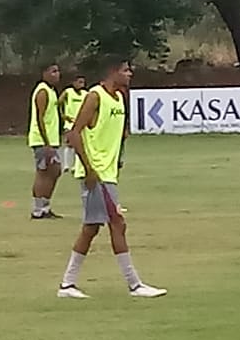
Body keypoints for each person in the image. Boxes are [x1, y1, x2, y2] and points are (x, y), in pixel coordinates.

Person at [57, 58, 166, 299]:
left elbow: (119, 135)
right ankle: (134, 284)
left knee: (91, 227)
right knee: (117, 223)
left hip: (108, 172)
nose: (130, 74)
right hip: (96, 173)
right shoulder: (95, 96)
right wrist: (88, 169)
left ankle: (67, 284)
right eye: (125, 70)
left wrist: (118, 158)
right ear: (111, 71)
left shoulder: (120, 98)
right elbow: (74, 134)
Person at [28, 63, 63, 219]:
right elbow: (40, 118)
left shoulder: (52, 91)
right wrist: (46, 142)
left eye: (58, 71)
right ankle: (37, 209)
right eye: (53, 71)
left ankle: (45, 206)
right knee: (43, 173)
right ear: (44, 73)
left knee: (54, 171)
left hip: (52, 139)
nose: (57, 74)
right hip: (42, 140)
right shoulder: (42, 91)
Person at [59, 74, 87, 173]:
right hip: (70, 122)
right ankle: (66, 165)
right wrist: (63, 115)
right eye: (79, 82)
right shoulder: (68, 92)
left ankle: (76, 166)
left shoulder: (85, 93)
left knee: (79, 145)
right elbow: (58, 103)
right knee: (69, 144)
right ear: (74, 83)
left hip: (81, 122)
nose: (82, 85)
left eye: (83, 82)